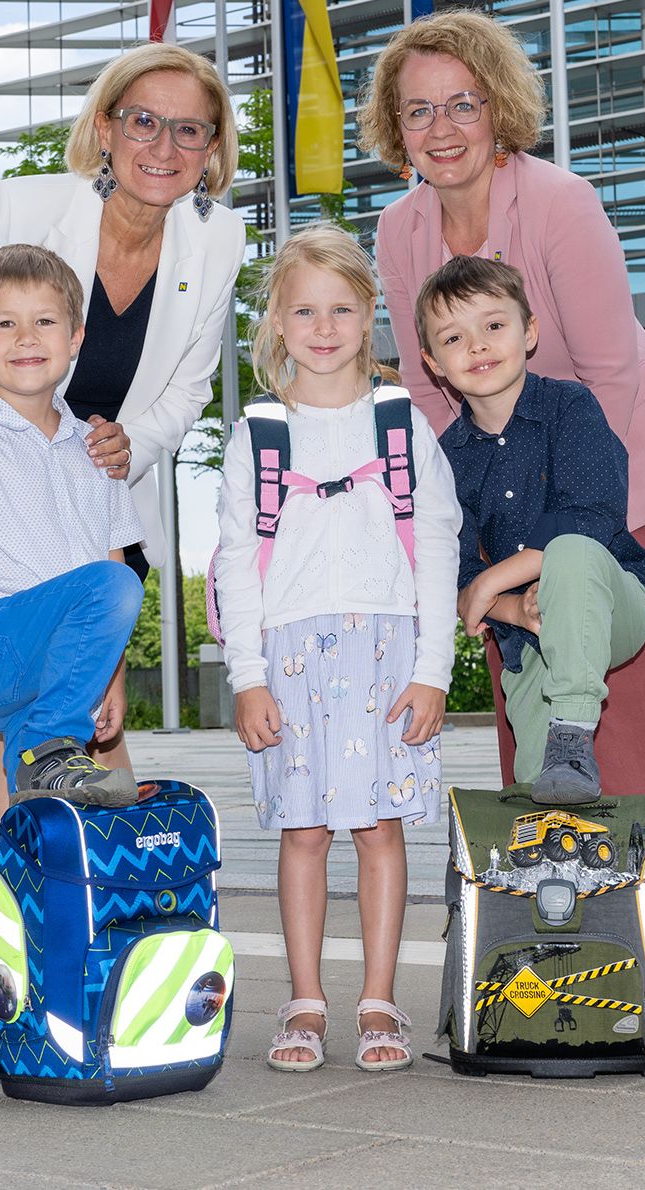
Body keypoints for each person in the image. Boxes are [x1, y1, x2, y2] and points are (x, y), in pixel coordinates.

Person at [370, 9, 645, 923]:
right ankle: (570, 913)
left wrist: (548, 545)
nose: (442, 128)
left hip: (626, 471)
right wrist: (464, 540)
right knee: (539, 682)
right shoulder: (397, 232)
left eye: (462, 102)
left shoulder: (560, 201)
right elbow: (424, 396)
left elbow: (607, 373)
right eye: (418, 112)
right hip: (496, 486)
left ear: (498, 107)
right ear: (395, 130)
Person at [0, 42, 247, 830]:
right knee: (40, 722)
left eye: (189, 131)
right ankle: (36, 905)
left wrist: (132, 441)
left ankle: (59, 902)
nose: (163, 148)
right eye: (143, 122)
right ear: (105, 127)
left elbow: (188, 387)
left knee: (82, 711)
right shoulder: (23, 207)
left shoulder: (218, 240)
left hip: (95, 478)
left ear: (212, 150)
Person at [215, 225, 460, 1073]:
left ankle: (380, 1000)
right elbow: (238, 562)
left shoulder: (402, 425)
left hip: (387, 653)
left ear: (369, 317)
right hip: (287, 660)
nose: (324, 327)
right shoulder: (257, 435)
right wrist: (246, 679)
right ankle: (308, 1001)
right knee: (305, 830)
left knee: (379, 827)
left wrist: (434, 672)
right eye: (304, 310)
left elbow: (437, 546)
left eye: (342, 309)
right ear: (276, 323)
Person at [0, 244, 148, 805]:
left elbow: (107, 567)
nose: (27, 338)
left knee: (39, 813)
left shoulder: (97, 453)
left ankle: (11, 874)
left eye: (44, 322)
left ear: (76, 337)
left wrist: (111, 680)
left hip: (50, 666)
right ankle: (49, 750)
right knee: (117, 583)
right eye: (5, 324)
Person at [417, 256, 645, 804]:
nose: (477, 347)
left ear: (529, 332)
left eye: (494, 326)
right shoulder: (444, 459)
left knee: (569, 548)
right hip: (529, 635)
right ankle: (548, 873)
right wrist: (506, 606)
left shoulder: (569, 406)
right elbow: (454, 570)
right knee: (535, 790)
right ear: (433, 362)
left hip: (614, 602)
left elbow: (591, 516)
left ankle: (572, 733)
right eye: (455, 338)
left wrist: (491, 582)